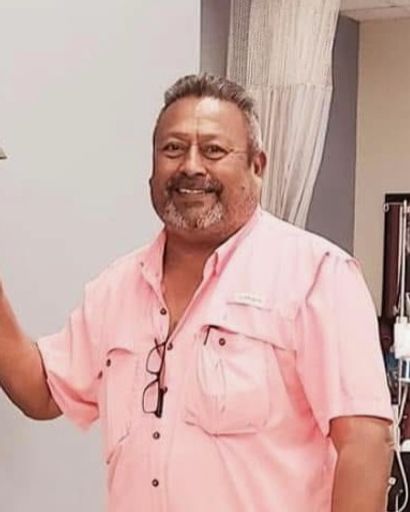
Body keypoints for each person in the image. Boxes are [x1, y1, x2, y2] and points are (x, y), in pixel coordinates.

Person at [0, 73, 393, 512]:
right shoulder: (117, 287)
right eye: (172, 149)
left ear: (257, 166)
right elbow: (41, 391)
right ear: (152, 168)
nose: (190, 166)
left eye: (213, 150)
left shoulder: (316, 275)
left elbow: (364, 442)